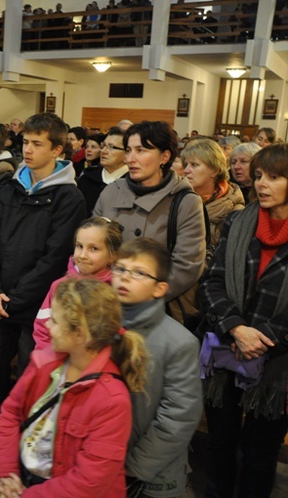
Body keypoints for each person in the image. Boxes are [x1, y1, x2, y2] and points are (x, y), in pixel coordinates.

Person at [0, 113, 86, 455]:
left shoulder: (69, 198)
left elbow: (54, 258)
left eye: (38, 144)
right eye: (25, 143)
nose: (29, 150)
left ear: (58, 149)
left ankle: (22, 435)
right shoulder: (10, 186)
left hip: (36, 305)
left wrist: (16, 298)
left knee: (30, 376)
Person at [0, 278, 148, 497]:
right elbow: (11, 412)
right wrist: (7, 471)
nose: (47, 326)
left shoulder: (112, 399)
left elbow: (90, 481)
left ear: (80, 334)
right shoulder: (44, 362)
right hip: (27, 476)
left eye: (55, 321)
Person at [199, 144, 288, 498]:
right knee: (220, 446)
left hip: (277, 364)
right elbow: (212, 282)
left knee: (260, 455)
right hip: (227, 349)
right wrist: (235, 327)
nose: (262, 184)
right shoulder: (239, 221)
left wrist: (261, 336)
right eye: (260, 176)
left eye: (275, 177)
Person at [111, 238, 202, 498]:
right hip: (100, 463)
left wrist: (135, 469)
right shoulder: (100, 326)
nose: (125, 277)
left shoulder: (179, 343)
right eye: (120, 268)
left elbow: (178, 417)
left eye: (139, 273)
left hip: (149, 474)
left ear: (159, 288)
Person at [94, 121, 207, 328]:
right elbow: (92, 247)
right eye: (128, 150)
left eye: (141, 150)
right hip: (106, 305)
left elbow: (187, 265)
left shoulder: (185, 201)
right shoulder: (111, 192)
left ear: (164, 157)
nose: (131, 159)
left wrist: (141, 298)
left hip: (156, 310)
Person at [33, 217, 123, 349]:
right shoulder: (59, 286)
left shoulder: (117, 291)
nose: (82, 255)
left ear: (113, 256)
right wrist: (50, 360)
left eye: (94, 249)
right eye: (79, 246)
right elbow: (42, 329)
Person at [181, 137, 245, 245]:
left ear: (215, 171)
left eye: (194, 165)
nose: (186, 170)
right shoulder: (176, 197)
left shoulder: (234, 209)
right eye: (186, 164)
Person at [76, 127, 128, 216]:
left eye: (111, 147)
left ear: (127, 154)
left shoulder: (133, 183)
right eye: (103, 146)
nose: (103, 151)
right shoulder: (87, 178)